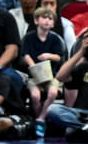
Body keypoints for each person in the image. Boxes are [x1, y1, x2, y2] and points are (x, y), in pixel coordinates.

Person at [21, 7, 64, 137]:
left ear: (53, 23)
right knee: (35, 96)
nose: (46, 21)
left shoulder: (56, 39)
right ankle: (39, 118)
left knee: (52, 92)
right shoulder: (29, 37)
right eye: (44, 17)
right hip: (33, 76)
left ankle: (41, 119)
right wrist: (35, 68)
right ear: (36, 20)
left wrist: (48, 56)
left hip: (51, 76)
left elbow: (59, 57)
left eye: (50, 19)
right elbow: (25, 55)